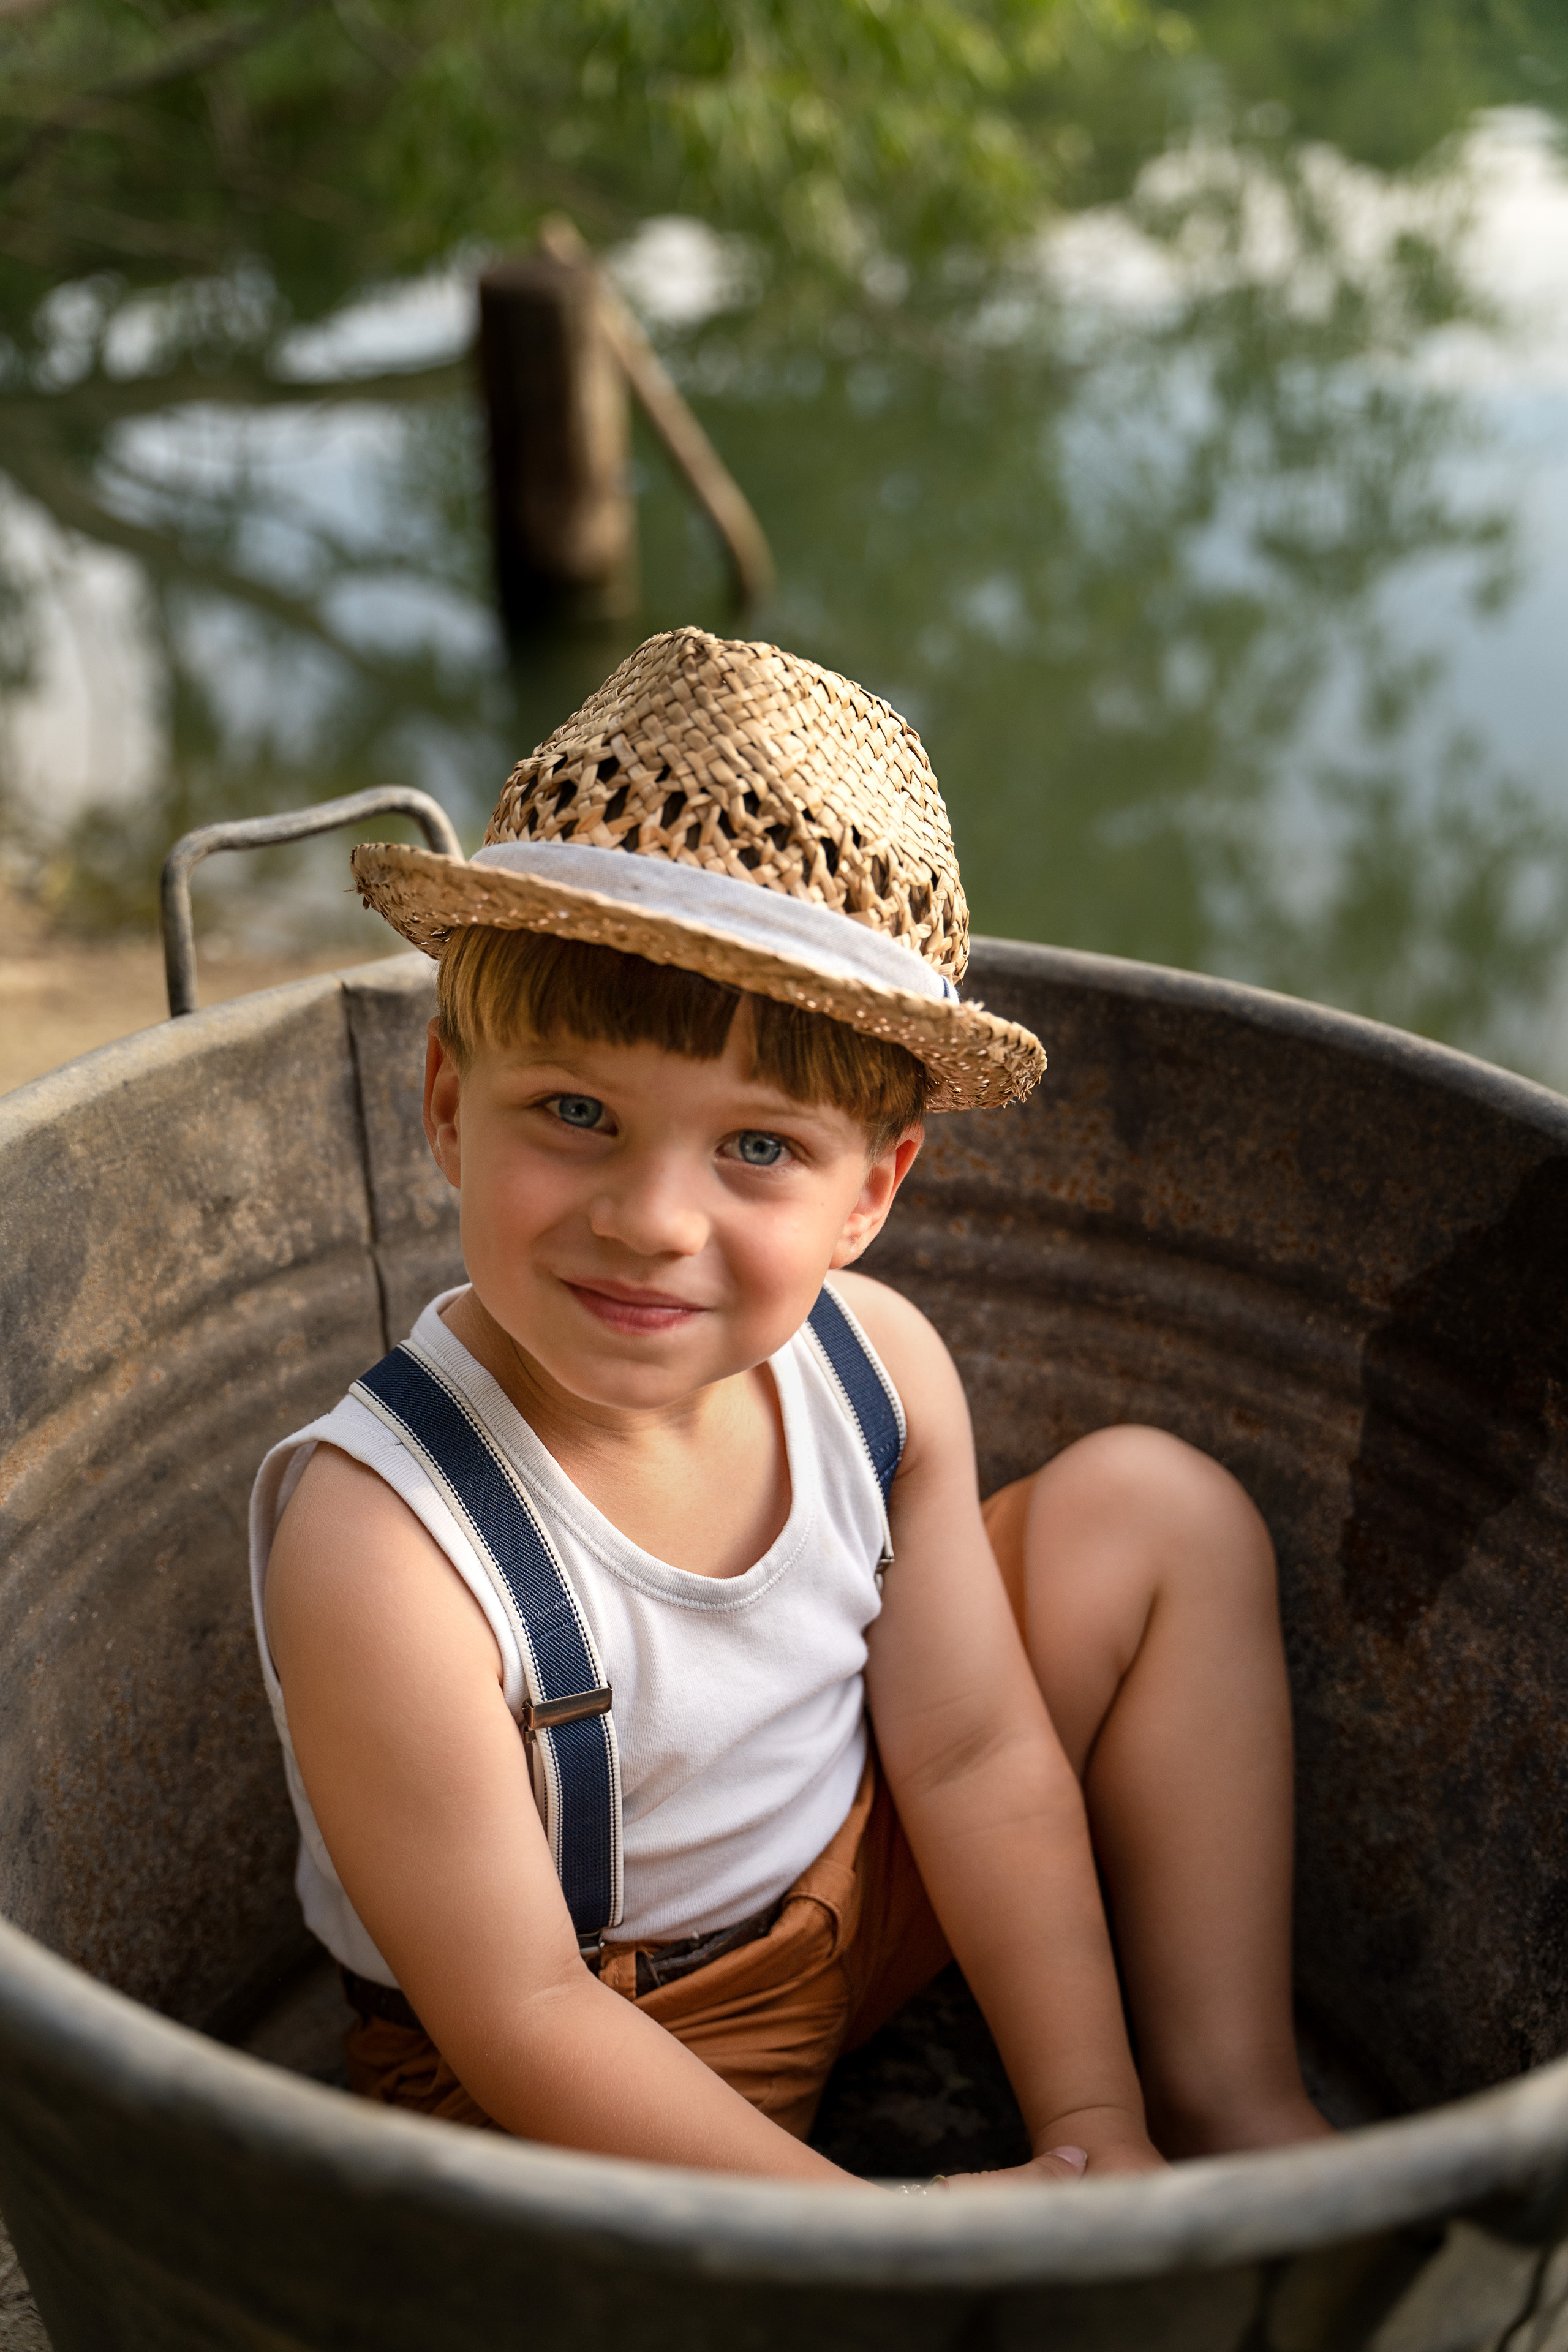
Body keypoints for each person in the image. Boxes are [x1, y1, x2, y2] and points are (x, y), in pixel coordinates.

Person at [251, 627, 1328, 2190]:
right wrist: (889, 2247)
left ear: (868, 1194)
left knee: (1154, 1515)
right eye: (574, 1113)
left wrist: (1089, 2127)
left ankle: (1224, 2105)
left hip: (841, 1887)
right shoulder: (386, 1543)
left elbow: (968, 1757)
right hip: (575, 2049)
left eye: (756, 1149)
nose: (653, 1220)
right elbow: (521, 2009)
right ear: (444, 1112)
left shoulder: (870, 1366)